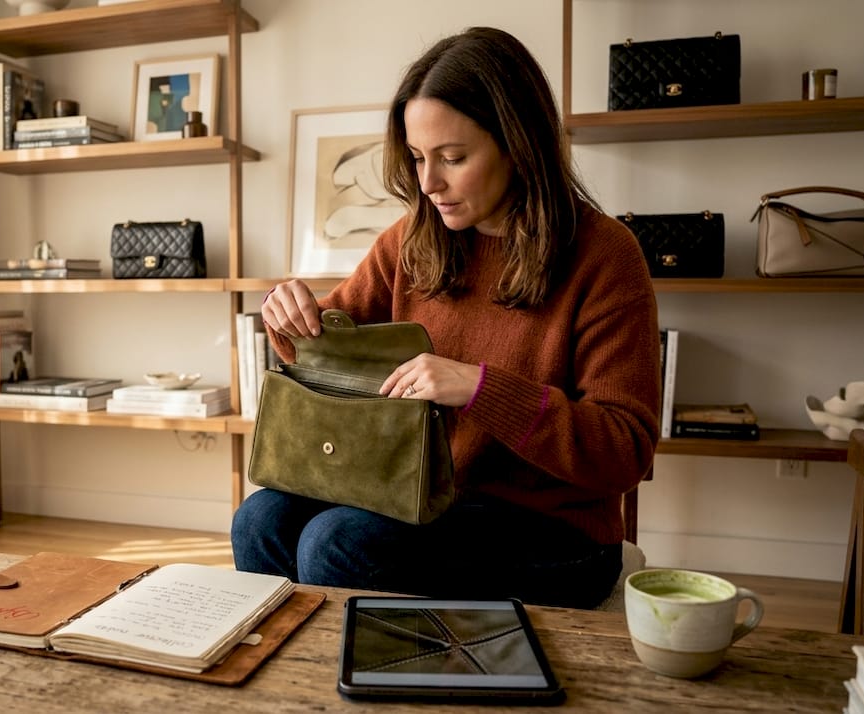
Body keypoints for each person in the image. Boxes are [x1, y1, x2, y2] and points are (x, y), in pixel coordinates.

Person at [231, 27, 660, 609]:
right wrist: (290, 316)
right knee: (259, 519)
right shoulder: (413, 239)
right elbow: (331, 337)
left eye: (453, 158)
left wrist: (480, 389)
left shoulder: (604, 255)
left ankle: (363, 661)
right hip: (425, 494)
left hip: (557, 531)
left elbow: (625, 451)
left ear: (517, 143)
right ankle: (298, 661)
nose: (428, 183)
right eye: (417, 158)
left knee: (338, 542)